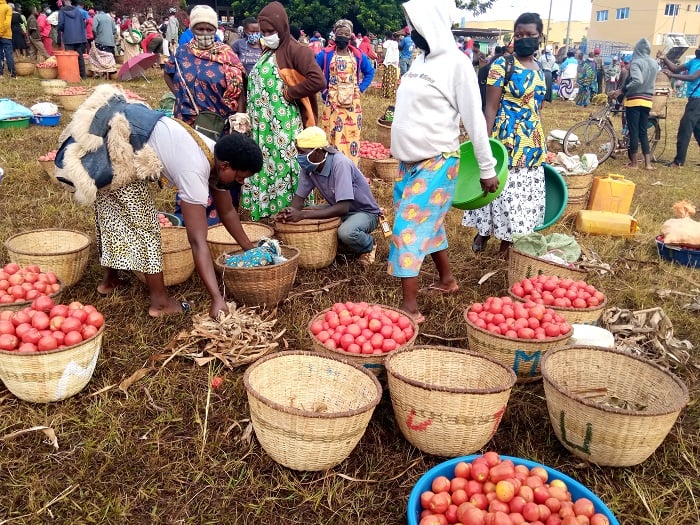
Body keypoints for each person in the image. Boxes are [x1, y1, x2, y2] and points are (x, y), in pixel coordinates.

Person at [55, 85, 263, 319]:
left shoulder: (216, 151)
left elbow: (227, 212)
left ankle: (110, 280)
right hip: (117, 145)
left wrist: (250, 251)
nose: (240, 183)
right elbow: (197, 240)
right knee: (145, 227)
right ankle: (160, 303)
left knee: (112, 214)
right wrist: (217, 299)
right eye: (239, 177)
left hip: (125, 130)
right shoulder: (194, 170)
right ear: (225, 166)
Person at [389, 0, 498, 323]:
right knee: (428, 225)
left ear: (431, 24)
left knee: (407, 228)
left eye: (415, 24)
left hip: (437, 162)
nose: (411, 31)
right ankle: (447, 280)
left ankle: (410, 308)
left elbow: (475, 120)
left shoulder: (457, 64)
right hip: (409, 163)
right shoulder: (421, 60)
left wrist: (487, 167)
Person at [463, 12, 547, 255]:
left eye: (530, 35)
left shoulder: (541, 70)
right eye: (519, 34)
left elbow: (537, 109)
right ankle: (485, 231)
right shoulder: (501, 65)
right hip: (505, 139)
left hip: (531, 143)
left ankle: (507, 243)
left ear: (539, 37)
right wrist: (485, 145)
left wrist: (542, 143)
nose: (524, 39)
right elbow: (489, 108)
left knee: (520, 197)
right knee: (501, 193)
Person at [240, 1, 325, 221]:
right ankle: (269, 217)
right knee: (265, 167)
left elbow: (318, 80)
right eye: (263, 31)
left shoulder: (296, 50)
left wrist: (291, 93)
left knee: (285, 168)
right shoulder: (269, 50)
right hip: (262, 129)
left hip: (282, 128)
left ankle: (290, 217)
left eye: (270, 31)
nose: (266, 35)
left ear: (283, 28)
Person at [164, 5, 246, 226]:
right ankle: (191, 215)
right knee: (192, 169)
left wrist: (239, 115)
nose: (203, 33)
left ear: (215, 28)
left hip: (220, 123)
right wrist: (180, 96)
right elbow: (168, 74)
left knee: (221, 169)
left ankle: (222, 217)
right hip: (189, 123)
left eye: (208, 28)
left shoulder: (227, 54)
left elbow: (242, 86)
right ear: (192, 29)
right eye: (198, 28)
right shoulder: (182, 53)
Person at [276, 127, 381, 265]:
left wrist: (302, 215)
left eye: (302, 152)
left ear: (319, 151)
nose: (299, 157)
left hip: (364, 212)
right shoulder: (310, 167)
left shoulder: (340, 164)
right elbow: (298, 201)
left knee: (346, 233)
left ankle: (368, 245)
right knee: (308, 209)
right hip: (338, 208)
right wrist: (288, 213)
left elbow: (343, 207)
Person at [316, 19, 374, 165]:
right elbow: (314, 73)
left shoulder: (358, 55)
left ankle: (351, 166)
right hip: (333, 102)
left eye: (346, 33)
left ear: (350, 36)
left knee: (351, 134)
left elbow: (369, 72)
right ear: (334, 35)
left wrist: (360, 88)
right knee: (332, 133)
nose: (343, 36)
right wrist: (323, 90)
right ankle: (331, 167)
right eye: (340, 33)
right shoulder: (325, 54)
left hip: (352, 103)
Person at [608, 38, 657, 170]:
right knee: (643, 132)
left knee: (633, 131)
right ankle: (648, 164)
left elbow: (638, 80)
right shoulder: (654, 63)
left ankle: (634, 164)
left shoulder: (636, 63)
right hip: (647, 100)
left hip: (634, 100)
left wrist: (622, 90)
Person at [660, 47, 700, 168]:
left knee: (685, 128)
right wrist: (664, 58)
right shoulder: (693, 61)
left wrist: (672, 75)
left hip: (697, 100)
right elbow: (676, 68)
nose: (697, 50)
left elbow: (692, 77)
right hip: (693, 99)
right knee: (698, 129)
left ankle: (678, 161)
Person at [57, 0, 87, 79]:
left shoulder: (62, 11)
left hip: (68, 36)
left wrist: (64, 30)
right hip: (79, 37)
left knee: (70, 57)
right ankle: (83, 75)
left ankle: (72, 75)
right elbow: (83, 24)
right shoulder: (78, 11)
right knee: (80, 56)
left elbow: (60, 24)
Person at [381, 31, 399, 98]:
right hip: (394, 63)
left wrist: (382, 59)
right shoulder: (396, 43)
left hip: (388, 63)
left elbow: (384, 54)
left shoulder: (386, 43)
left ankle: (386, 93)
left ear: (386, 36)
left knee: (387, 78)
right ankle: (392, 93)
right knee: (393, 78)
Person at [0, 0, 14, 78]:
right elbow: (7, 23)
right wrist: (1, 33)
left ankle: (0, 74)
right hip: (6, 35)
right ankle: (12, 74)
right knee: (8, 54)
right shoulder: (8, 7)